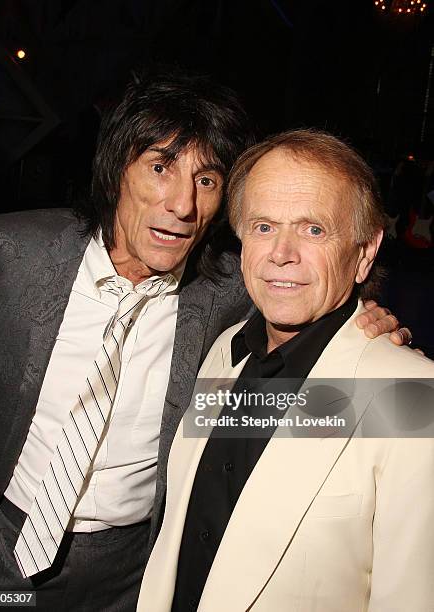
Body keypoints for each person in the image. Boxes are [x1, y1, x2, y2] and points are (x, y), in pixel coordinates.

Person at [0, 75, 404, 611]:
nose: (182, 203)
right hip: (4, 558)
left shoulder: (228, 294)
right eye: (161, 167)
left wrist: (370, 326)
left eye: (207, 179)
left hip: (129, 573)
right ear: (115, 172)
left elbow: (311, 295)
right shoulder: (12, 250)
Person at [137, 129, 434, 612]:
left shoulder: (409, 394)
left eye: (313, 229)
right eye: (263, 226)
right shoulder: (224, 352)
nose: (281, 253)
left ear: (364, 252)